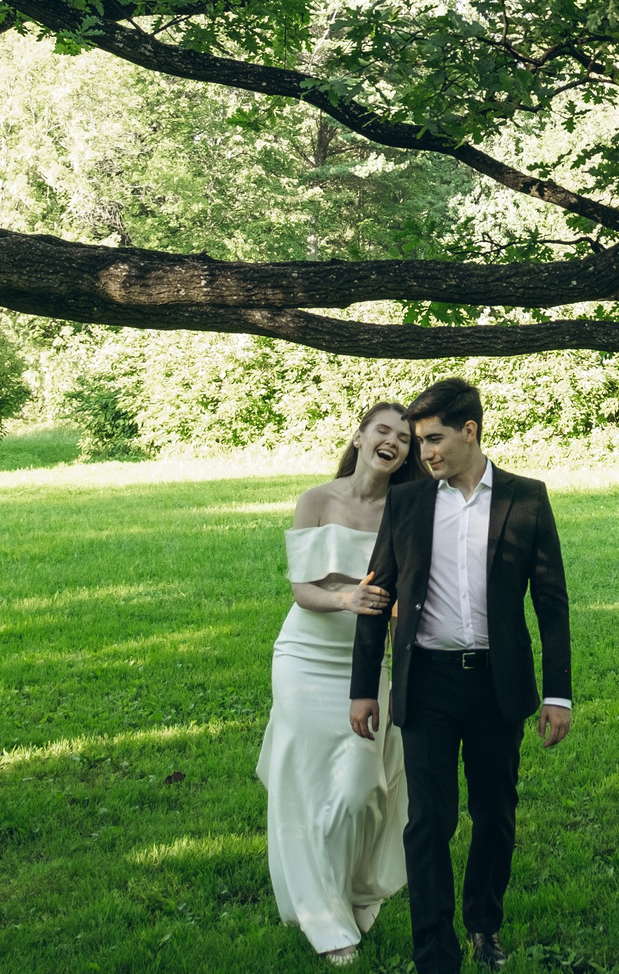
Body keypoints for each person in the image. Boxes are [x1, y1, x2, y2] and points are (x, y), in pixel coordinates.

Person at [349, 378, 572, 974]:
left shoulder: (526, 498)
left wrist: (558, 693)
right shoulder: (410, 503)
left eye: (434, 439)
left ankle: (483, 924)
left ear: (470, 431)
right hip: (427, 684)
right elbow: (376, 595)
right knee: (430, 821)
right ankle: (434, 952)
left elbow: (551, 601)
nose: (424, 453)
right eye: (421, 442)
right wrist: (363, 688)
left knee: (495, 814)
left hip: (497, 686)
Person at [261, 402, 420, 965]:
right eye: (383, 430)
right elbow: (303, 590)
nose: (393, 442)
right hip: (305, 655)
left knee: (359, 791)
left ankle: (354, 889)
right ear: (359, 437)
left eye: (403, 437)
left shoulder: (407, 511)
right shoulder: (317, 501)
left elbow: (414, 597)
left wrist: (400, 613)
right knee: (305, 787)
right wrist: (346, 598)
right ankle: (325, 920)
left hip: (366, 665)